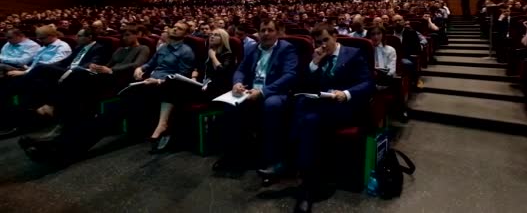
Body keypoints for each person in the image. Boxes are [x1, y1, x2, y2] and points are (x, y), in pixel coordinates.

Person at [19, 26, 151, 163]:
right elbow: (117, 65)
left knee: (105, 113)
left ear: (138, 35)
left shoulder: (144, 48)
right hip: (114, 78)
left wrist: (112, 70)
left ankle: (62, 146)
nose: (124, 38)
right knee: (77, 81)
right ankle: (59, 137)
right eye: (123, 35)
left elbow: (137, 64)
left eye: (128, 35)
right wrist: (99, 68)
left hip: (128, 81)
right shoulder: (120, 49)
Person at [291, 23, 374, 213]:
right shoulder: (317, 56)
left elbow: (368, 83)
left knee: (308, 121)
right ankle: (305, 171)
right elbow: (304, 84)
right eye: (318, 42)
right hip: (320, 105)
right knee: (297, 106)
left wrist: (346, 93)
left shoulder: (353, 53)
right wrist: (314, 64)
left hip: (344, 106)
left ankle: (306, 186)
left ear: (335, 36)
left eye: (326, 40)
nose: (322, 45)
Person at [213, 19, 298, 177]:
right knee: (229, 105)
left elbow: (289, 75)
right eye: (263, 30)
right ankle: (233, 156)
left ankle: (273, 160)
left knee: (271, 105)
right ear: (258, 33)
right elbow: (241, 70)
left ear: (277, 32)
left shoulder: (287, 48)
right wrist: (237, 83)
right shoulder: (253, 48)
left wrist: (263, 92)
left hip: (275, 92)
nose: (266, 34)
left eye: (270, 30)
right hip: (251, 90)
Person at [149, 28, 236, 153]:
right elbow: (197, 67)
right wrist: (194, 76)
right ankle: (166, 129)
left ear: (223, 39)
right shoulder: (205, 53)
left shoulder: (228, 54)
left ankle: (169, 134)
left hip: (217, 89)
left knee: (177, 93)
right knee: (173, 87)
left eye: (216, 35)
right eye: (211, 34)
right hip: (202, 86)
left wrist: (213, 57)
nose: (211, 37)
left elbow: (223, 72)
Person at [126, 21, 195, 139]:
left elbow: (181, 76)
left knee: (166, 90)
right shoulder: (163, 47)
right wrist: (140, 68)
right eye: (174, 27)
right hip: (151, 79)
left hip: (168, 84)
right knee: (128, 93)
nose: (175, 29)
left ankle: (161, 126)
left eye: (180, 29)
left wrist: (158, 81)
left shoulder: (186, 51)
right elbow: (151, 63)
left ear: (185, 34)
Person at [0, 25, 72, 137]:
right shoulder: (44, 47)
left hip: (50, 78)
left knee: (10, 86)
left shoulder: (62, 47)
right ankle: (8, 118)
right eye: (38, 38)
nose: (39, 41)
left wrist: (25, 73)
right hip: (34, 75)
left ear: (52, 36)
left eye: (41, 38)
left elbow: (52, 66)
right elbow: (34, 65)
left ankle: (16, 123)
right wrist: (26, 70)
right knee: (8, 82)